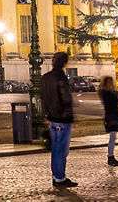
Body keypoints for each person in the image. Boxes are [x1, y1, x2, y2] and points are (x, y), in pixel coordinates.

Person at [40, 50, 76, 188]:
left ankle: (56, 176)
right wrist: (71, 118)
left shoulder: (45, 77)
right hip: (62, 119)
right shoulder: (61, 78)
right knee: (62, 150)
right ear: (64, 63)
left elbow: (43, 99)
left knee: (55, 149)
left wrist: (46, 116)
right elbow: (66, 100)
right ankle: (60, 178)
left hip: (52, 118)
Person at [100, 76, 118, 167]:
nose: (112, 84)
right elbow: (112, 104)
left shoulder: (107, 93)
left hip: (112, 116)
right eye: (110, 82)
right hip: (111, 117)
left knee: (113, 138)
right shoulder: (106, 93)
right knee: (112, 138)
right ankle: (110, 157)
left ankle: (111, 157)